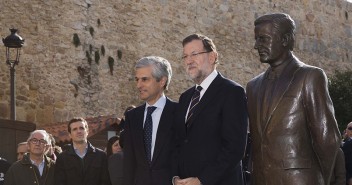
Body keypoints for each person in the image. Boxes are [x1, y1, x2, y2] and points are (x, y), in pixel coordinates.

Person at [246, 13, 341, 185]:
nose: (256, 46)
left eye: (263, 39)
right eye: (256, 39)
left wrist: (321, 180)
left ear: (285, 39)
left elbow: (328, 138)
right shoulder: (253, 86)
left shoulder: (309, 77)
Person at [173, 33, 248, 185]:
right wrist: (175, 177)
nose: (189, 61)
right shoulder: (185, 98)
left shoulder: (232, 92)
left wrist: (202, 180)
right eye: (185, 56)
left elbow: (235, 148)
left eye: (194, 54)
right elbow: (179, 143)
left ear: (212, 57)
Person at [123, 56, 177, 185]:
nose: (138, 85)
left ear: (162, 81)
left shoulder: (179, 113)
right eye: (137, 80)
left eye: (145, 79)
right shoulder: (132, 116)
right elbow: (129, 161)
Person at [54, 117, 111, 185]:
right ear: (70, 135)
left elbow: (106, 182)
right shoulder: (62, 158)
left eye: (82, 128)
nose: (79, 131)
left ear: (87, 131)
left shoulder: (101, 156)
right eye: (75, 129)